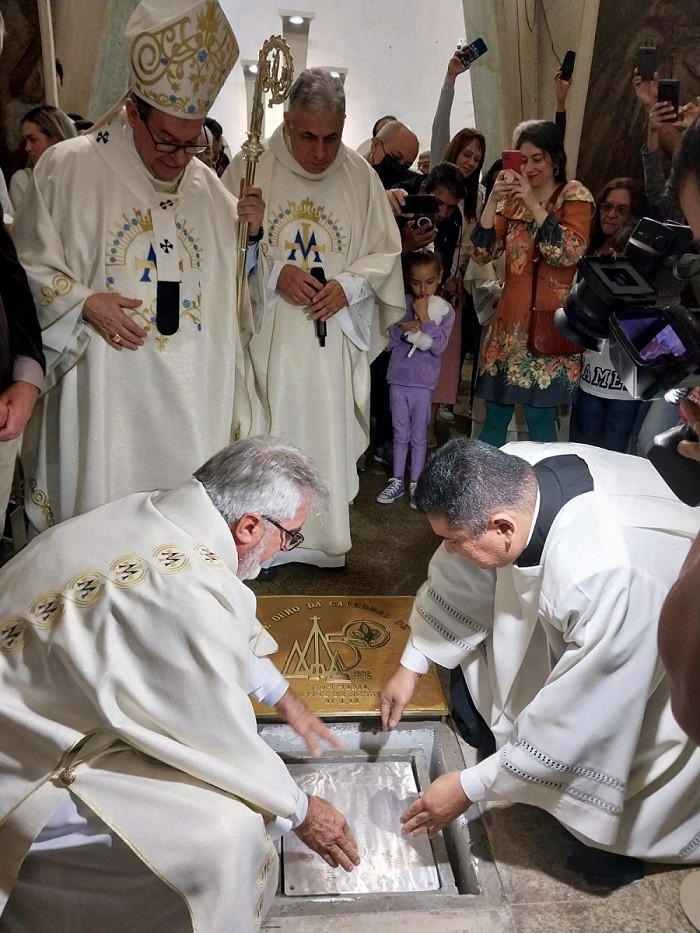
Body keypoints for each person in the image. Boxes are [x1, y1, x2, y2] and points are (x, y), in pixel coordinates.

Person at [0, 436, 360, 931]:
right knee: (227, 831)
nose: (285, 550)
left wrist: (284, 698)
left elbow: (211, 623)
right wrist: (302, 810)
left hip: (37, 707)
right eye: (290, 536)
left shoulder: (157, 513)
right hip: (25, 761)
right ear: (250, 525)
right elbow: (219, 743)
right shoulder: (181, 589)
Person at [380, 438, 700, 885]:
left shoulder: (606, 577)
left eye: (454, 541)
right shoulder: (512, 472)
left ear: (503, 528)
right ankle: (518, 766)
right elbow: (460, 574)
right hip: (594, 612)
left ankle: (619, 847)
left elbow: (582, 718)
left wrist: (466, 788)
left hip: (658, 645)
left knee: (621, 772)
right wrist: (410, 664)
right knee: (489, 688)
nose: (447, 551)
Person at [11, 0, 266, 537]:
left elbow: (238, 312)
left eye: (192, 141)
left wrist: (253, 242)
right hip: (105, 402)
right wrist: (83, 302)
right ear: (133, 111)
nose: (180, 156)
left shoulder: (212, 194)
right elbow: (28, 270)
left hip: (192, 407)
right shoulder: (69, 169)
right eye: (168, 140)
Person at [222, 68, 404, 572]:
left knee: (323, 435)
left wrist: (349, 285)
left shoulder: (359, 176)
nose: (320, 152)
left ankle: (321, 535)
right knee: (270, 431)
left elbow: (384, 253)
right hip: (271, 342)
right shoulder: (253, 166)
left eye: (332, 137)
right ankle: (261, 540)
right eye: (308, 137)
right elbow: (218, 247)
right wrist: (271, 268)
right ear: (287, 121)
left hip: (330, 348)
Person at [469, 120, 594, 447]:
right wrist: (493, 199)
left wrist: (534, 205)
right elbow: (482, 252)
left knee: (541, 424)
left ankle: (547, 494)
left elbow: (568, 252)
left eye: (537, 158)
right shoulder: (509, 202)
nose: (529, 167)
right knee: (494, 418)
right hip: (506, 330)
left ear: (554, 158)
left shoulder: (573, 194)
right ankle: (480, 493)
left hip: (548, 329)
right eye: (522, 160)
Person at [569, 178, 647, 452]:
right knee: (583, 450)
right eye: (607, 207)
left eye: (621, 209)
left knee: (614, 453)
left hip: (625, 383)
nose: (612, 215)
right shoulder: (585, 250)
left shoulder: (644, 264)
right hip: (590, 374)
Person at [377, 250, 454, 507]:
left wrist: (425, 318)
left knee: (418, 435)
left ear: (440, 277)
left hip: (423, 383)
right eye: (416, 282)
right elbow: (385, 341)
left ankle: (416, 482)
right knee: (400, 434)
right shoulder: (400, 304)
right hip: (398, 380)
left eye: (430, 282)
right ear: (407, 280)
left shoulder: (444, 310)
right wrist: (402, 328)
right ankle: (398, 479)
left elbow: (439, 345)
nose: (423, 289)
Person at [8, 104, 77, 210]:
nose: (27, 148)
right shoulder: (23, 180)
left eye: (33, 139)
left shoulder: (82, 173)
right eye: (25, 141)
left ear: (56, 138)